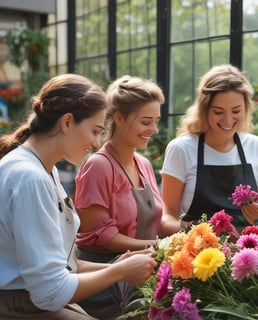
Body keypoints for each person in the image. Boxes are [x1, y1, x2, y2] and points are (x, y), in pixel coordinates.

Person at [0, 74, 156, 319]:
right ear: (67, 122)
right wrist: (120, 272)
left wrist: (118, 266)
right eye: (95, 131)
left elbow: (63, 266)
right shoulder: (31, 178)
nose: (96, 143)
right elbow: (50, 292)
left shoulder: (41, 170)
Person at [73, 75, 165, 318]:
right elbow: (102, 236)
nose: (154, 130)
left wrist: (191, 232)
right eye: (146, 122)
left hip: (140, 274)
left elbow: (156, 218)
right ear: (119, 118)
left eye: (156, 121)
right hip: (104, 282)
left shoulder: (143, 164)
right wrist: (155, 247)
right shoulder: (98, 166)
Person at [160, 64, 258, 235]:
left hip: (250, 251)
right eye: (218, 112)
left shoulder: (255, 145)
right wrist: (199, 231)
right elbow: (166, 219)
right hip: (199, 252)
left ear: (246, 108)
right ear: (204, 110)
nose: (228, 120)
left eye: (236, 111)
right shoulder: (181, 149)